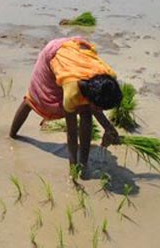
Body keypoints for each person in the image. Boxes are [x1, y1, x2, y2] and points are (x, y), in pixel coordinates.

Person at [9, 37, 123, 175]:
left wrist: (109, 128)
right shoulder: (72, 90)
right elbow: (72, 133)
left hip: (73, 52)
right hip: (53, 55)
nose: (100, 110)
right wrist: (72, 168)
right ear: (91, 98)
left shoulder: (108, 78)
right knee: (33, 98)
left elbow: (93, 106)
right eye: (100, 107)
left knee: (86, 112)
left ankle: (84, 162)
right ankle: (12, 135)